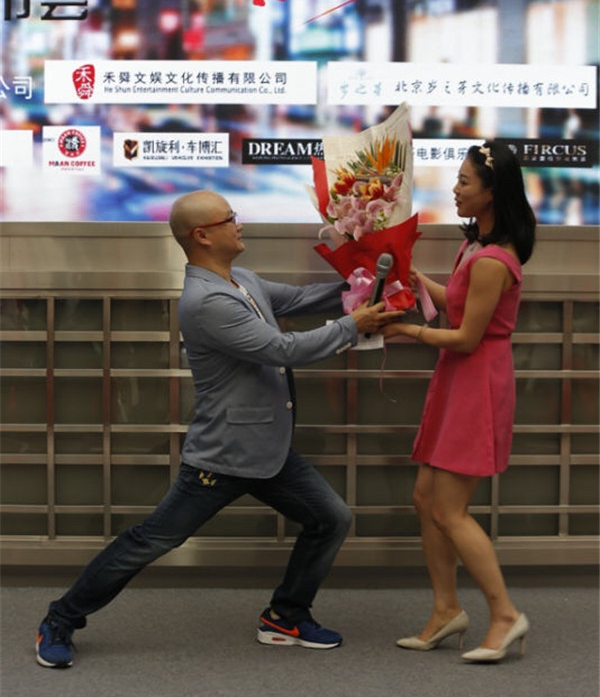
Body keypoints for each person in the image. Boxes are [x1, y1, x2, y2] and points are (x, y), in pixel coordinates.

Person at [36, 189, 403, 668]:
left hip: (268, 449)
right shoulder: (206, 301)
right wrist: (354, 324)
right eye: (229, 218)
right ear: (202, 236)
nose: (239, 224)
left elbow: (300, 299)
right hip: (224, 457)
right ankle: (60, 619)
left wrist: (368, 282)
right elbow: (283, 349)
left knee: (331, 519)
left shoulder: (241, 280)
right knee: (150, 542)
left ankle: (285, 615)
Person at [383, 142, 536, 663]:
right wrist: (412, 277)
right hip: (459, 379)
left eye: (465, 181)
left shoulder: (494, 259)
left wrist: (407, 330)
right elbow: (456, 301)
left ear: (492, 193)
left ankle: (505, 615)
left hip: (477, 381)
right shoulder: (476, 247)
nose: (455, 189)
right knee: (426, 498)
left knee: (450, 509)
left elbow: (468, 336)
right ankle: (446, 610)